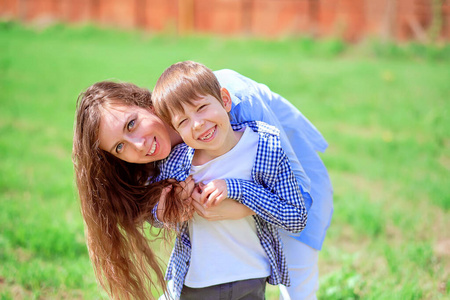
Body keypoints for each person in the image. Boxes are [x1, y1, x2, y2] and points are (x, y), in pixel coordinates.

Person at [73, 63, 332, 300]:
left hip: (296, 183)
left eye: (132, 124)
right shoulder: (156, 157)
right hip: (221, 269)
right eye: (120, 146)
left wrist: (241, 205)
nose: (138, 144)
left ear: (148, 105)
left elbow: (298, 202)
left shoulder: (232, 108)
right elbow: (152, 205)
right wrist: (165, 211)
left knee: (299, 286)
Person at [149, 61, 309, 299]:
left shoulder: (263, 146)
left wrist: (238, 189)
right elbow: (156, 216)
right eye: (183, 122)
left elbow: (296, 217)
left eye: (202, 107)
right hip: (195, 281)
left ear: (225, 100)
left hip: (249, 277)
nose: (197, 124)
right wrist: (174, 201)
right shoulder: (178, 163)